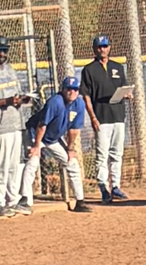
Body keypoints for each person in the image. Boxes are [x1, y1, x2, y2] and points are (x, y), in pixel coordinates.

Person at [19, 76, 92, 214]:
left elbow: (74, 130)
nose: (72, 92)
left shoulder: (79, 104)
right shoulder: (55, 102)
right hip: (36, 134)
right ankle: (24, 200)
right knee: (33, 162)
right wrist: (36, 146)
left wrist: (70, 149)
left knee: (72, 163)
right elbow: (42, 125)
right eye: (68, 89)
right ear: (63, 90)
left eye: (75, 89)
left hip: (53, 138)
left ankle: (80, 201)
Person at [0, 35, 30, 218]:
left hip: (15, 122)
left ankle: (12, 200)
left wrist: (21, 100)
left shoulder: (10, 69)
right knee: (1, 165)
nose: (2, 54)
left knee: (13, 165)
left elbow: (15, 93)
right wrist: (7, 101)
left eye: (4, 50)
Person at [80, 35, 130, 204]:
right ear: (94, 49)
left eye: (105, 46)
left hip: (118, 115)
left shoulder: (117, 67)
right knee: (102, 154)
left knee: (117, 153)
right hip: (101, 117)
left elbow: (123, 87)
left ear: (110, 47)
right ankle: (103, 187)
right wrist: (93, 117)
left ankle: (115, 185)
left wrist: (128, 94)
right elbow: (86, 96)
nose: (103, 49)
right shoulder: (89, 70)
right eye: (99, 47)